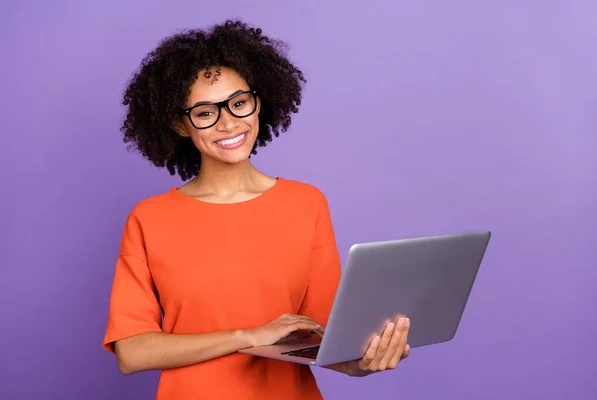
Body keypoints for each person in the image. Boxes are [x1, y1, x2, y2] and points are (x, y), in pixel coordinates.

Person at [103, 20, 411, 400]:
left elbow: (321, 338)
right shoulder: (149, 218)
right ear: (180, 125)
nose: (229, 122)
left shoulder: (306, 203)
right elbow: (131, 353)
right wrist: (247, 336)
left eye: (238, 103)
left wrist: (361, 362)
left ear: (257, 102)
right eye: (204, 112)